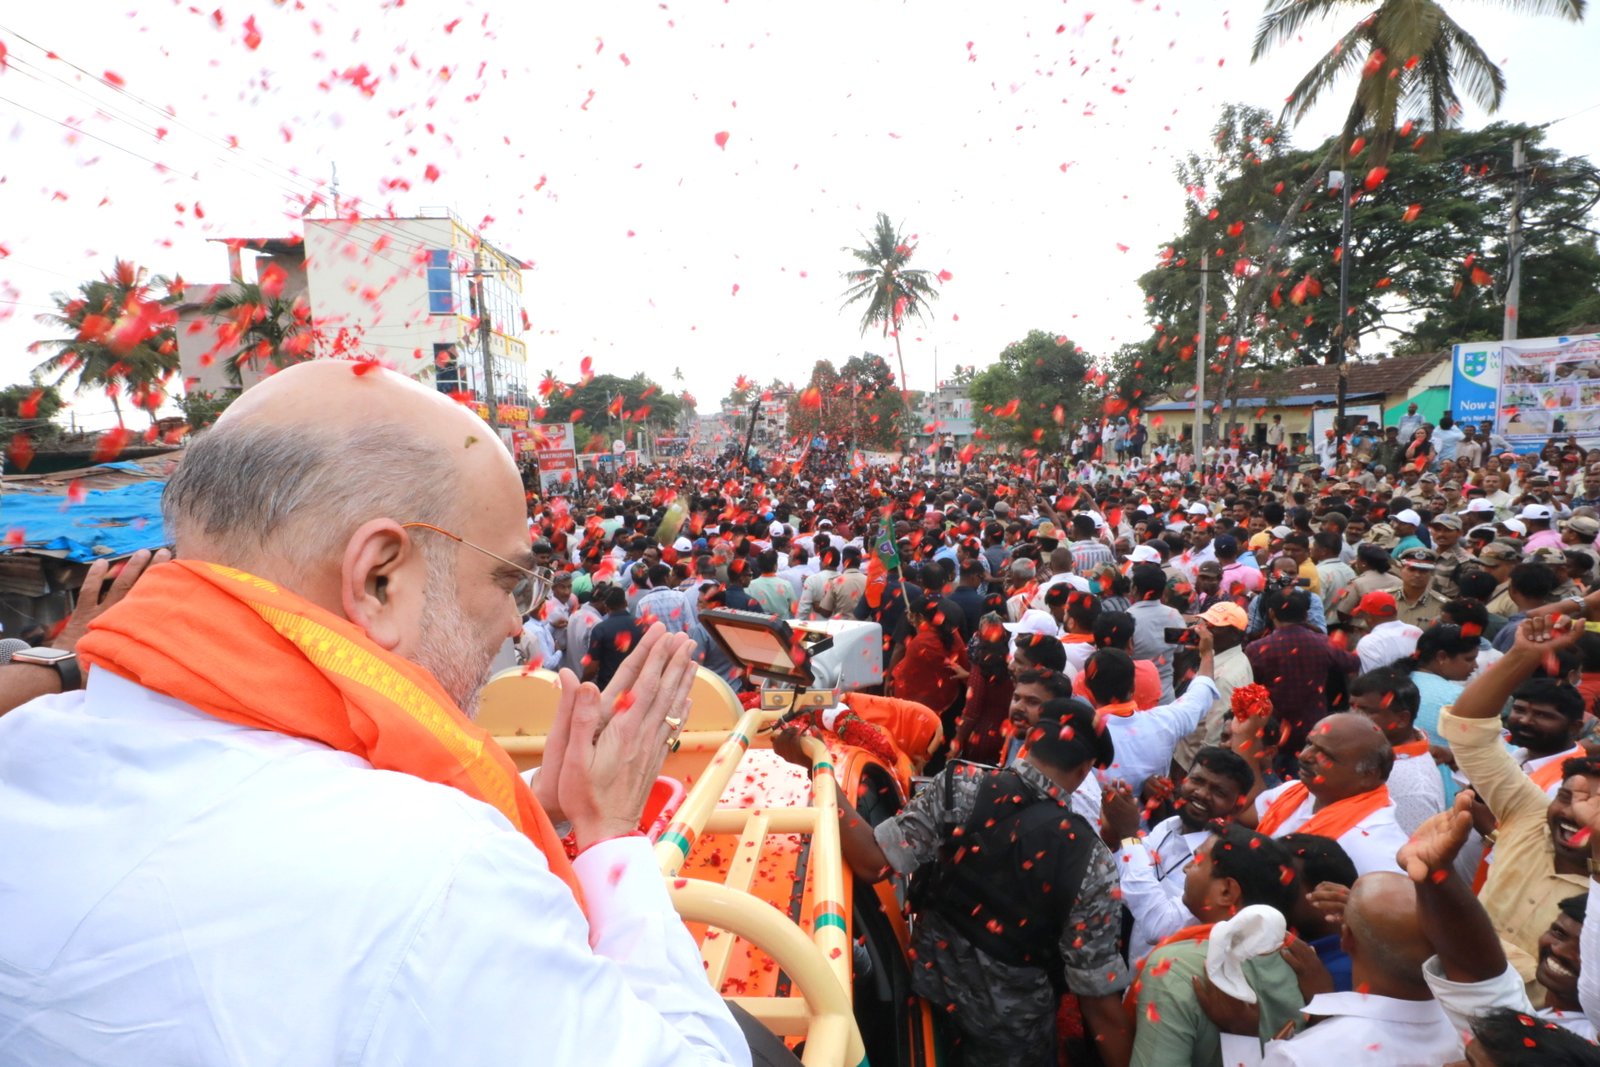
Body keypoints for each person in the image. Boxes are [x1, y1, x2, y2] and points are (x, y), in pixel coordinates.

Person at [0, 363, 752, 1065]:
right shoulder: (435, 871)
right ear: (381, 579)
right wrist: (611, 837)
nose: (521, 626)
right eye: (510, 581)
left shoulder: (26, 743)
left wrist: (529, 802)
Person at [778, 699, 1134, 1067]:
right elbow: (1098, 1003)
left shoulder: (959, 784)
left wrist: (817, 767)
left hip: (929, 996)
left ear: (1028, 740)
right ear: (1085, 769)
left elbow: (872, 861)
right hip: (1009, 1037)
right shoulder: (1092, 862)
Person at [1438, 614, 1592, 996]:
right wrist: (1522, 655)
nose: (1574, 813)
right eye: (1566, 797)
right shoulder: (1531, 815)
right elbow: (1467, 729)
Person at [1127, 825, 1309, 1067]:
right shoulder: (1302, 959)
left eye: (1198, 861)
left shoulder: (1175, 967)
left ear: (1226, 891)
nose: (1186, 867)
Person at [1100, 745, 1254, 960]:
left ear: (1237, 807)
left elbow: (1160, 927)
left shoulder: (1224, 860)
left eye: (1218, 792)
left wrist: (1128, 835)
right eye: (1197, 781)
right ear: (1183, 780)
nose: (1201, 794)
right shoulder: (1170, 825)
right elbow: (1126, 882)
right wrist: (1112, 835)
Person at [1248, 712, 1409, 876]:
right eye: (1308, 743)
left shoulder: (1377, 848)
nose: (1304, 756)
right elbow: (1243, 812)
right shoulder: (1296, 792)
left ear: (1368, 775)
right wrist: (1243, 735)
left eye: (1325, 756)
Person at [1080, 625, 1219, 795]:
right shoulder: (1164, 722)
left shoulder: (1081, 737)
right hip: (1154, 819)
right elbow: (1201, 694)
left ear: (1088, 688)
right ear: (1133, 687)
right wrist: (1206, 653)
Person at [1244, 589, 1362, 756]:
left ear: (1271, 613)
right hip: (1314, 725)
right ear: (1306, 615)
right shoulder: (1322, 643)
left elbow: (1249, 689)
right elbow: (1352, 663)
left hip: (1274, 728)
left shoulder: (1256, 649)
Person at [1348, 667, 1447, 836]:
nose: (1351, 717)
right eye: (1352, 707)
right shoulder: (1381, 747)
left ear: (1401, 719)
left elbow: (1408, 856)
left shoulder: (1414, 789)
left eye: (1366, 711)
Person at [1171, 602, 1254, 773]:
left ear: (1234, 635)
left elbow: (1215, 736)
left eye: (1213, 627)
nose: (1203, 630)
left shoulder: (1225, 678)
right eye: (1205, 623)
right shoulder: (1227, 657)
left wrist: (1198, 774)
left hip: (1190, 762)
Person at [1127, 562, 1187, 703]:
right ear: (1163, 591)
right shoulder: (1175, 615)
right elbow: (1179, 656)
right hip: (1166, 696)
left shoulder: (1127, 618)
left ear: (1134, 589)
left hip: (1137, 700)